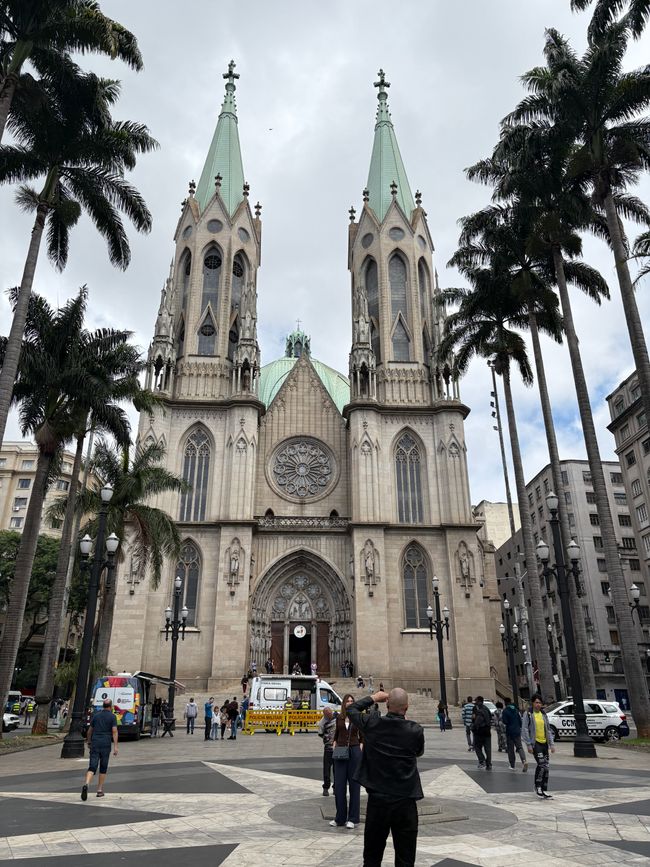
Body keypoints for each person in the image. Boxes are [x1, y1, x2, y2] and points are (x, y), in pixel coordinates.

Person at [347, 688, 424, 867]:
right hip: (406, 802)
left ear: (387, 704)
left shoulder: (373, 724)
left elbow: (351, 710)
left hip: (378, 802)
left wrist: (374, 697)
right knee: (406, 859)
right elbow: (418, 752)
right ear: (407, 707)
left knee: (372, 858)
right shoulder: (415, 731)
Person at [330, 693, 362, 829]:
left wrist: (361, 747)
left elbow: (364, 736)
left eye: (351, 701)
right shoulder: (339, 718)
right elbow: (336, 734)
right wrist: (334, 743)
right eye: (347, 701)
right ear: (344, 703)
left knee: (354, 786)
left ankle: (353, 819)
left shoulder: (358, 718)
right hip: (341, 752)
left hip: (354, 751)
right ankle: (340, 818)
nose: (349, 702)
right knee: (339, 786)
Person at [81, 698, 118, 800]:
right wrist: (115, 746)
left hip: (95, 742)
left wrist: (89, 742)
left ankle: (86, 784)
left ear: (103, 706)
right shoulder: (112, 717)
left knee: (92, 766)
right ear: (111, 706)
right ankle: (99, 790)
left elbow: (89, 731)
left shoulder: (96, 716)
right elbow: (114, 731)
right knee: (103, 767)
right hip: (106, 743)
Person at [522, 694, 555, 799]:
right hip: (535, 744)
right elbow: (525, 729)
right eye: (536, 702)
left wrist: (551, 744)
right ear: (532, 703)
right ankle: (537, 787)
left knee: (546, 767)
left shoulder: (543, 714)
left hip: (544, 743)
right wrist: (528, 745)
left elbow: (548, 729)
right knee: (541, 765)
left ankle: (544, 788)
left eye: (540, 703)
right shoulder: (528, 714)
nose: (538, 705)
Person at [501, 697, 527, 772]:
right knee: (519, 747)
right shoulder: (516, 710)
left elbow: (505, 721)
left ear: (505, 703)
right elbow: (520, 721)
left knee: (510, 749)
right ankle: (524, 761)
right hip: (517, 731)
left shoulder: (505, 711)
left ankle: (512, 765)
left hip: (510, 732)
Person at [318, 706, 338, 796]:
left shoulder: (337, 717)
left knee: (337, 769)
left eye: (330, 714)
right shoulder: (322, 722)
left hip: (337, 747)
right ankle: (326, 787)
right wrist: (328, 739)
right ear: (324, 715)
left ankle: (336, 788)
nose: (329, 716)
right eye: (327, 715)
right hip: (328, 748)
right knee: (326, 769)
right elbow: (320, 734)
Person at [471, 696, 492, 770]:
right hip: (487, 731)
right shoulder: (487, 709)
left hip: (480, 732)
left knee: (477, 747)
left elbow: (477, 721)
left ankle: (482, 760)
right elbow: (490, 718)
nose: (475, 703)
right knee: (488, 749)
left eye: (476, 701)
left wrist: (473, 728)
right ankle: (489, 763)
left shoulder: (479, 711)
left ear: (479, 701)